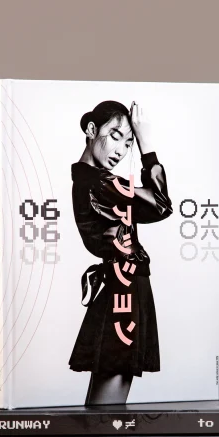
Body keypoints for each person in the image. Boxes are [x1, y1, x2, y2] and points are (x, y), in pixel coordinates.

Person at [69, 100, 173, 404]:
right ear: (91, 129)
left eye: (129, 143)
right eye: (115, 136)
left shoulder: (95, 180)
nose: (121, 150)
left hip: (121, 285)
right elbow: (161, 205)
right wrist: (146, 145)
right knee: (107, 408)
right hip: (123, 288)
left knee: (103, 400)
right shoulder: (100, 182)